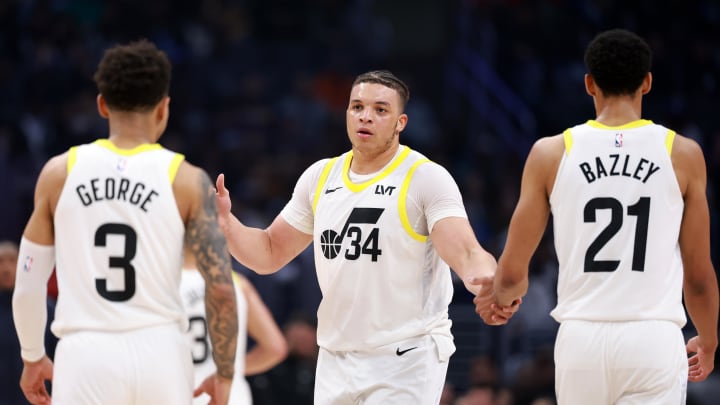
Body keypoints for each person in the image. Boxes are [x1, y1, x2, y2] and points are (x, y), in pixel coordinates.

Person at [216, 69, 502, 404]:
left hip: (405, 355)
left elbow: (467, 251)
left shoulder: (425, 178)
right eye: (357, 107)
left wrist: (485, 280)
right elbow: (268, 252)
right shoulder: (320, 177)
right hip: (336, 356)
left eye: (381, 110)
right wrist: (225, 222)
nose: (366, 116)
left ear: (401, 122)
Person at [476, 28, 719, 404]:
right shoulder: (683, 154)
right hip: (652, 337)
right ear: (648, 82)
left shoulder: (550, 153)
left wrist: (502, 299)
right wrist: (708, 338)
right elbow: (699, 276)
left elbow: (511, 274)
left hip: (580, 341)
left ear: (589, 84)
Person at [11, 39, 238, 405]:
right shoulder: (187, 179)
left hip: (86, 356)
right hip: (161, 352)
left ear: (102, 105)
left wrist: (32, 356)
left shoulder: (58, 174)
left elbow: (28, 281)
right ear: (164, 109)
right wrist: (225, 373)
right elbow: (223, 291)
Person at [180, 248, 288, 404]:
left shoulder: (159, 286)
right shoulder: (236, 282)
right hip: (232, 396)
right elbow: (275, 348)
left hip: (183, 393)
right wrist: (233, 370)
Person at [1, 241, 58, 405]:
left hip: (38, 399)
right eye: (1, 261)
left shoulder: (47, 308)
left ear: (21, 265)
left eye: (12, 260)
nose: (6, 268)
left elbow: (58, 356)